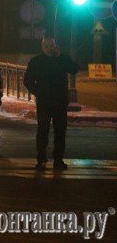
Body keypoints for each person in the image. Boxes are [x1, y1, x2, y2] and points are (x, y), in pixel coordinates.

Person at [24, 36, 79, 171]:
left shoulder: (62, 59)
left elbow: (74, 69)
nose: (49, 49)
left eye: (51, 46)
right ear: (42, 47)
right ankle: (41, 160)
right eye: (46, 46)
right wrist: (38, 92)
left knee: (60, 132)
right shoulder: (36, 61)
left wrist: (60, 57)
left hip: (60, 102)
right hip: (44, 102)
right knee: (43, 131)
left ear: (55, 46)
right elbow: (28, 80)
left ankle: (58, 160)